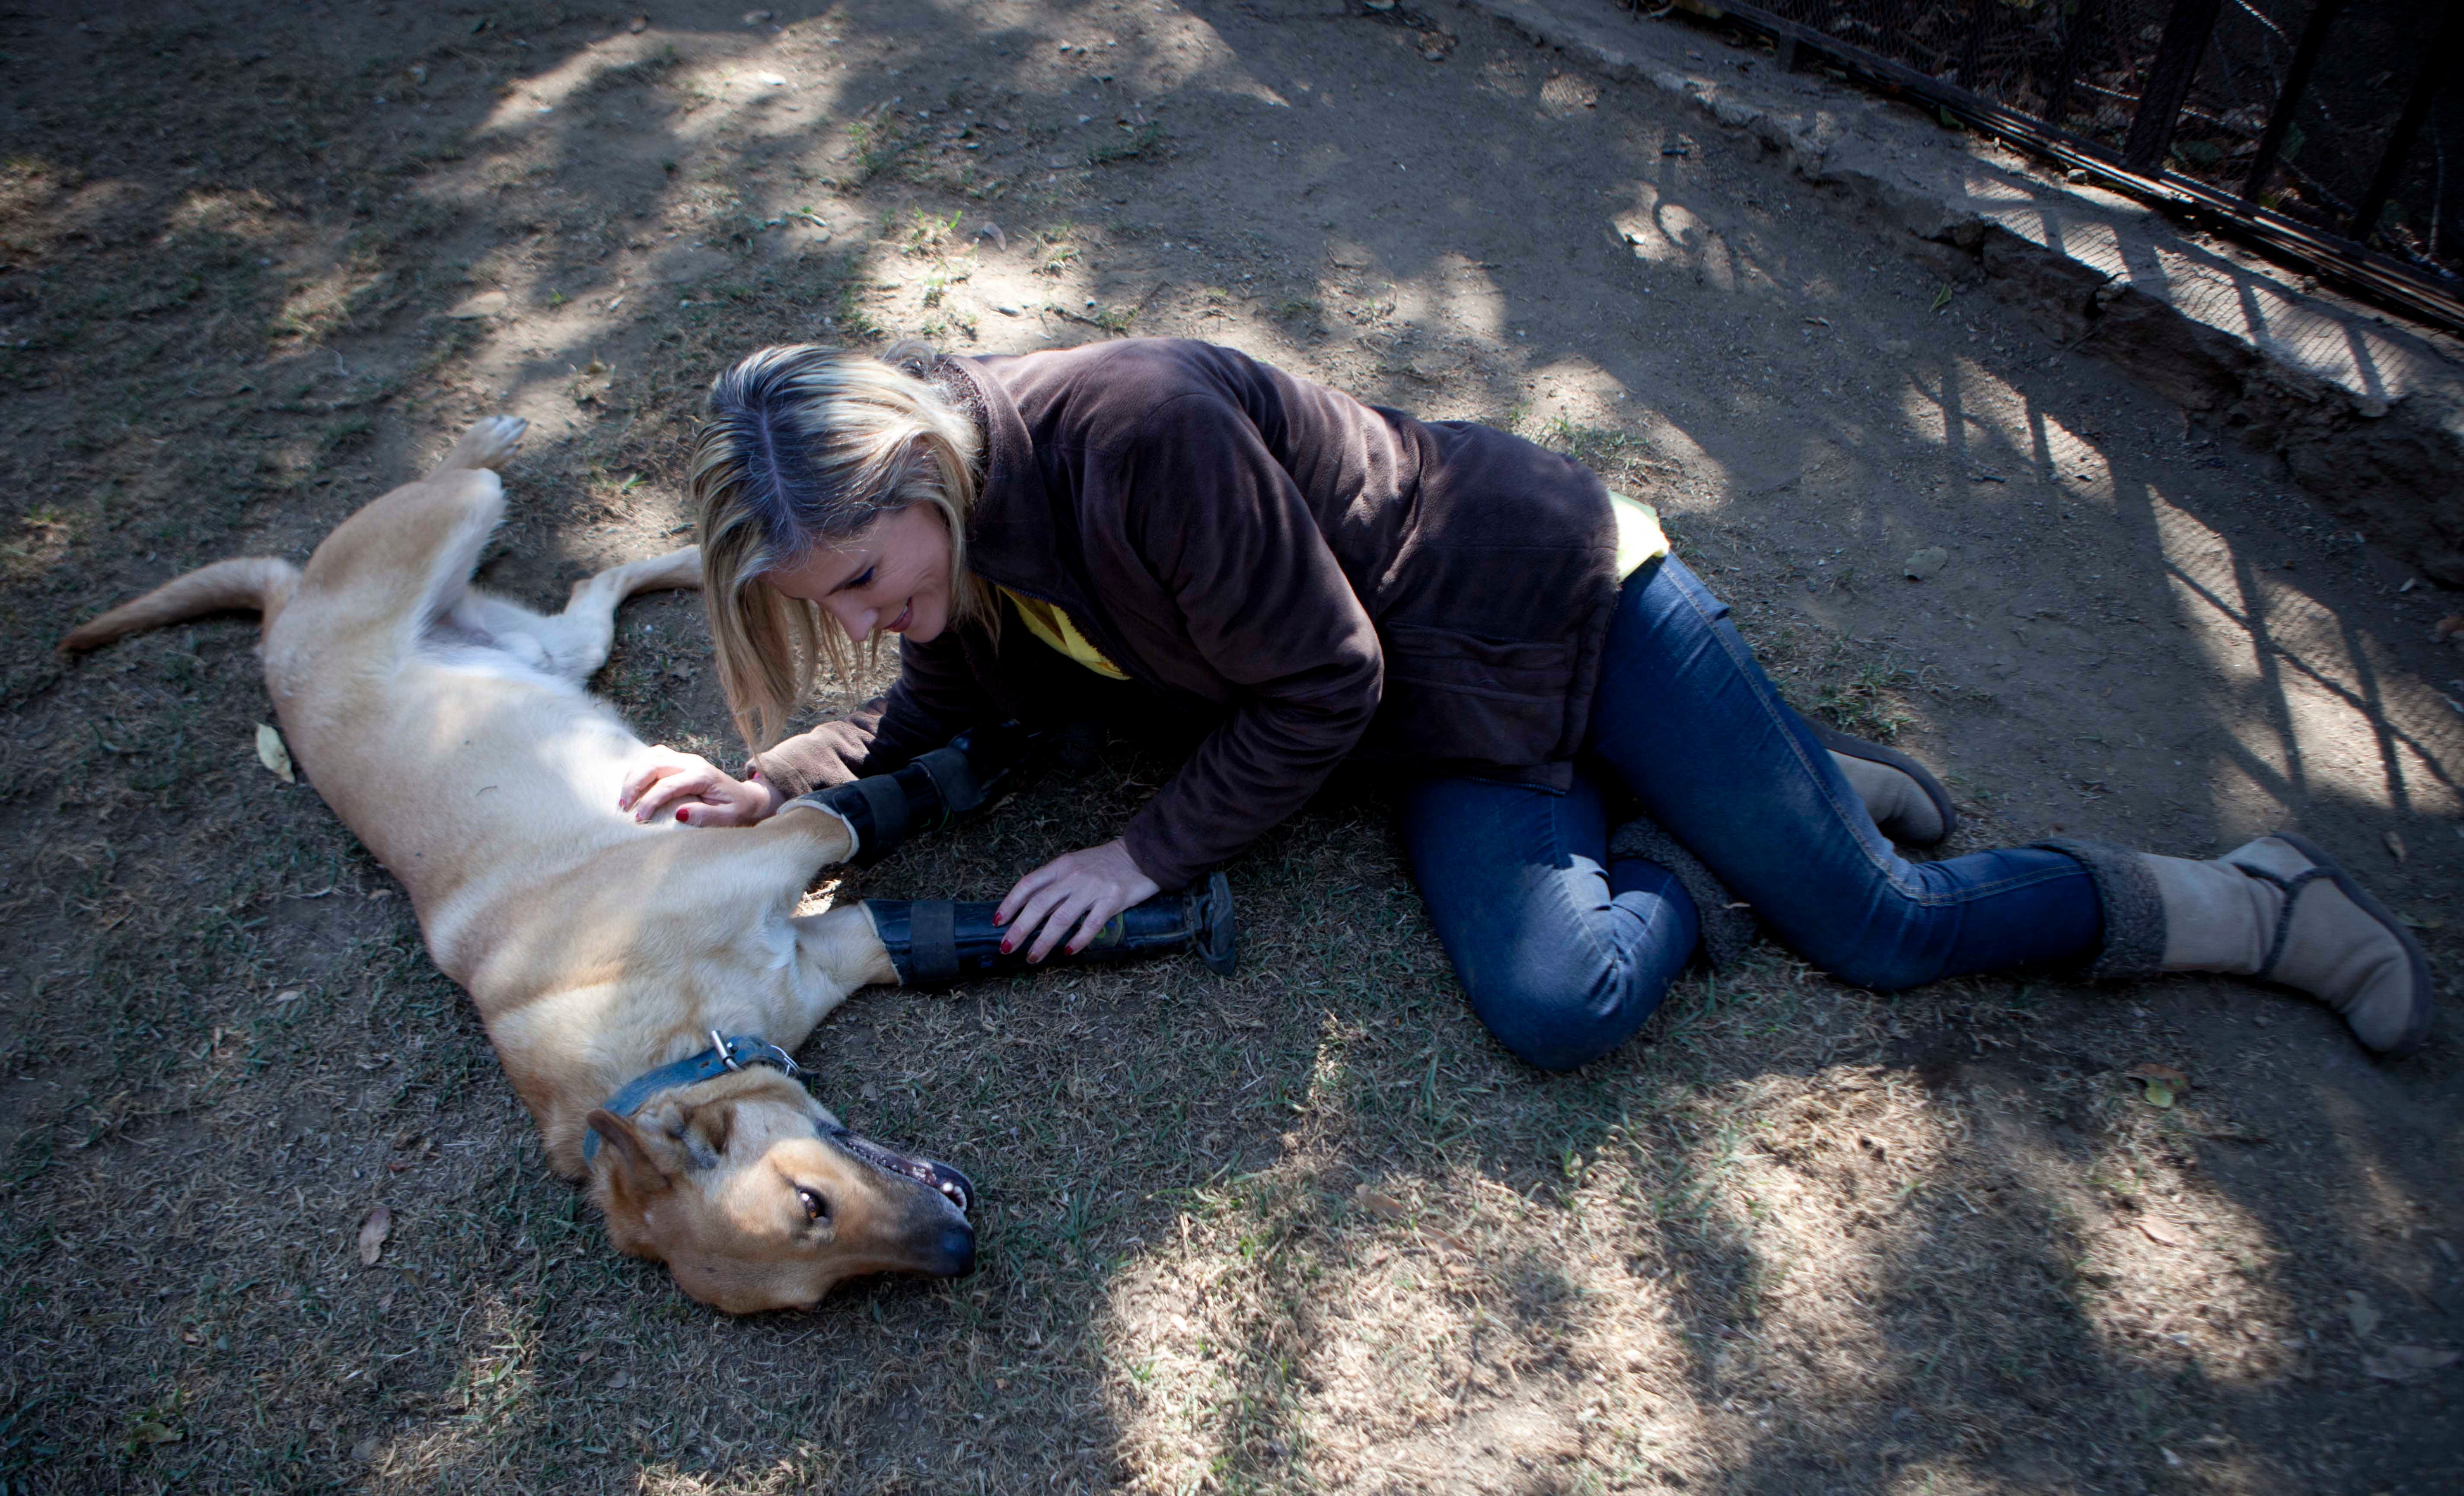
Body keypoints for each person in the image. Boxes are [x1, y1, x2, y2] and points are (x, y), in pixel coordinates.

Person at [616, 338, 2432, 1067]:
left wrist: (1139, 848)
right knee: (1558, 1010)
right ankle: (1728, 827)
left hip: (1557, 596)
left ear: (918, 473)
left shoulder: (1135, 437)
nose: (873, 613)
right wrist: (787, 788)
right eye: (834, 602)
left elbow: (1313, 679)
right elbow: (941, 688)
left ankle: (2246, 899)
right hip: (1436, 723)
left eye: (863, 576)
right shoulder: (965, 538)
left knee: (1875, 931)